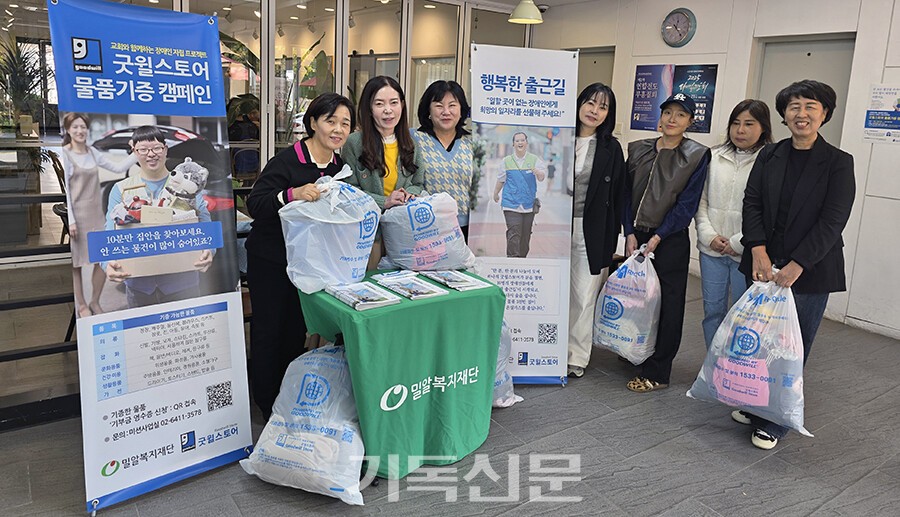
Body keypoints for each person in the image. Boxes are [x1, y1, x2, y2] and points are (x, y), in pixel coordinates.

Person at [735, 80, 855, 450]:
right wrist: (757, 249)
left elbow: (833, 220)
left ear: (825, 114)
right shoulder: (770, 155)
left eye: (810, 106)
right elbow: (751, 201)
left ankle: (775, 419)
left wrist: (798, 263)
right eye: (794, 107)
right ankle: (755, 402)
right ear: (784, 115)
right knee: (758, 340)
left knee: (791, 347)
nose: (801, 114)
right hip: (763, 264)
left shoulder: (838, 162)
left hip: (811, 271)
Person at [245, 93, 355, 419]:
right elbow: (256, 203)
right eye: (330, 121)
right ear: (313, 123)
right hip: (271, 260)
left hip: (307, 265)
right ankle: (266, 406)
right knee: (268, 331)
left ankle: (288, 397)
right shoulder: (287, 161)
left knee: (295, 331)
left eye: (345, 124)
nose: (338, 129)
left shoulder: (338, 167)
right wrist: (291, 194)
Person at [622, 92, 710, 392]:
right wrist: (629, 232)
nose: (672, 119)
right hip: (637, 235)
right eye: (668, 112)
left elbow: (687, 203)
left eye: (680, 114)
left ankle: (659, 371)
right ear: (659, 117)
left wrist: (659, 236)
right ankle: (635, 354)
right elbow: (624, 193)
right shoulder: (637, 149)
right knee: (636, 298)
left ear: (690, 122)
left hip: (670, 239)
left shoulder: (697, 154)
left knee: (669, 305)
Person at [104, 126, 214, 307]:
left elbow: (204, 222)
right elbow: (110, 231)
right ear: (134, 151)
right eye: (143, 149)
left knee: (184, 332)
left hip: (182, 282)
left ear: (165, 149)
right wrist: (108, 264)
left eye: (156, 148)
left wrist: (209, 251)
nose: (151, 154)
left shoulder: (186, 186)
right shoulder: (121, 189)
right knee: (143, 332)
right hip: (139, 284)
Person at [694, 100, 773, 348]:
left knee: (744, 315)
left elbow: (768, 211)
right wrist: (709, 236)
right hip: (712, 250)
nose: (740, 130)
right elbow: (701, 201)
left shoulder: (771, 161)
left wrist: (738, 242)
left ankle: (737, 370)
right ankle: (712, 365)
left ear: (763, 127)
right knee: (713, 311)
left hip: (747, 254)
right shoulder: (713, 157)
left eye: (749, 124)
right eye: (736, 123)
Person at [566, 83, 627, 378]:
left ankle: (575, 355)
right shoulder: (557, 137)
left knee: (583, 295)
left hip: (590, 231)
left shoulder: (611, 149)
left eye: (603, 107)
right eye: (590, 103)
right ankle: (544, 349)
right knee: (552, 291)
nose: (595, 111)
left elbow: (618, 196)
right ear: (579, 104)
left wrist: (617, 238)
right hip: (551, 228)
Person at [60, 113, 138, 318]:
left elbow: (119, 167)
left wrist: (136, 150)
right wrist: (72, 220)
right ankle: (82, 305)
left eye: (83, 127)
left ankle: (95, 301)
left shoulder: (92, 152)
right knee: (77, 263)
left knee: (101, 258)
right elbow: (67, 191)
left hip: (96, 214)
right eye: (75, 127)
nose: (79, 131)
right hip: (78, 216)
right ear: (68, 129)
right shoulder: (65, 154)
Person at [344, 76, 425, 267]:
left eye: (394, 102)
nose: (388, 110)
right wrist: (385, 201)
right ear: (369, 109)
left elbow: (418, 184)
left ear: (402, 106)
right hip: (369, 234)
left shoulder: (411, 144)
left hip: (403, 232)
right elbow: (348, 191)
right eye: (379, 104)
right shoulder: (354, 143)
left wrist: (408, 195)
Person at [412, 80, 474, 240]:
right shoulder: (414, 139)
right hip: (426, 228)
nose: (446, 112)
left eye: (452, 105)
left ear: (462, 110)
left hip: (468, 228)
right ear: (428, 110)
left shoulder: (473, 143)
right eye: (439, 106)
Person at [492, 132, 547, 258]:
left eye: (522, 140)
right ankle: (512, 260)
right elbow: (501, 179)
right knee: (514, 233)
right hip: (510, 203)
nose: (520, 143)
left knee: (525, 235)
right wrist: (495, 193)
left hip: (528, 205)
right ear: (513, 144)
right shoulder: (506, 161)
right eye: (517, 141)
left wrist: (538, 172)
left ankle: (522, 260)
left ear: (526, 143)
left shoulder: (534, 160)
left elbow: (542, 177)